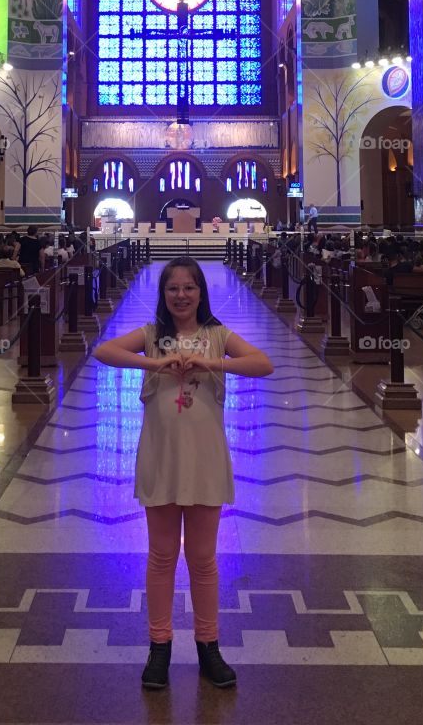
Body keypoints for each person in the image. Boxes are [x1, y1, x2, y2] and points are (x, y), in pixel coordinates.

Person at [93, 258, 273, 692]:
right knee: (160, 557)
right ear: (164, 294)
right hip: (162, 457)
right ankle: (160, 647)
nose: (181, 295)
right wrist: (157, 363)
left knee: (204, 559)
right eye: (173, 288)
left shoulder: (217, 336)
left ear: (200, 292)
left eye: (189, 288)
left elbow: (263, 363)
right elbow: (104, 350)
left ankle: (209, 645)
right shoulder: (154, 336)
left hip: (205, 459)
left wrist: (213, 364)